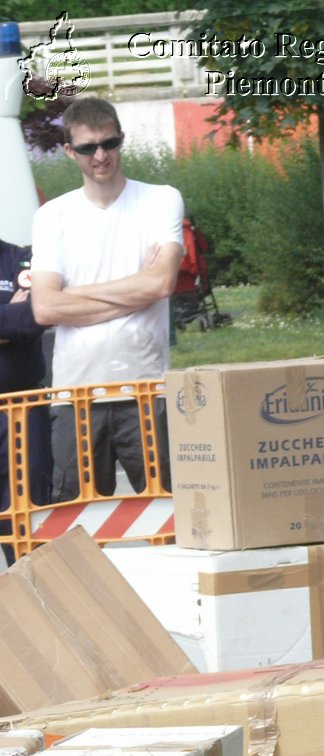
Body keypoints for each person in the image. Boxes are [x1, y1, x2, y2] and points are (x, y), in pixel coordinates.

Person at [29, 95, 181, 502]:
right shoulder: (52, 217)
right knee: (70, 526)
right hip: (75, 394)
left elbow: (162, 284)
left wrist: (73, 294)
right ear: (69, 151)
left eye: (109, 143)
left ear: (121, 141)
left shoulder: (160, 198)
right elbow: (45, 308)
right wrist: (136, 290)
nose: (100, 155)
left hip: (147, 390)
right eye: (87, 148)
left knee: (173, 515)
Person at [0, 235, 52, 564]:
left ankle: (33, 609)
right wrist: (9, 312)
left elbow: (34, 318)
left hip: (21, 410)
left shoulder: (24, 259)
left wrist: (22, 314)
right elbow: (17, 320)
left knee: (27, 522)